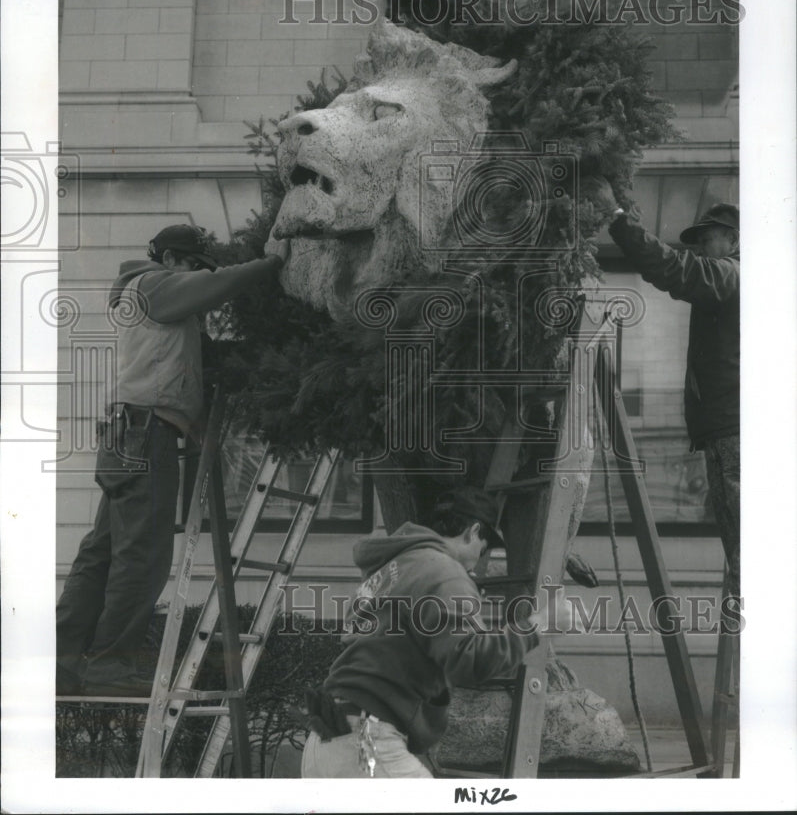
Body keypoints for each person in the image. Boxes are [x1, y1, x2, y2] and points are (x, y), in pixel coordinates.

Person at [56, 224, 287, 696]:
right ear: (176, 261)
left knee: (102, 552)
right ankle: (109, 666)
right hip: (147, 435)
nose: (198, 278)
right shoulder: (155, 285)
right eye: (195, 267)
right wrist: (274, 263)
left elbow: (185, 366)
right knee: (143, 557)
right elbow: (214, 285)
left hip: (126, 434)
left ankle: (60, 658)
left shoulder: (149, 305)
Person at [300, 487, 542, 778]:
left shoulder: (391, 567)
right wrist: (539, 626)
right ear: (473, 531)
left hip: (324, 741)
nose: (477, 563)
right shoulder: (443, 569)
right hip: (365, 743)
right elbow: (469, 659)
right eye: (482, 549)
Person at [609, 202, 740, 599]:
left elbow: (674, 269)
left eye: (707, 239)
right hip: (726, 430)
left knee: (748, 552)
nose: (700, 248)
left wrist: (620, 222)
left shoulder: (732, 274)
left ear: (735, 240)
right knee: (741, 553)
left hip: (734, 432)